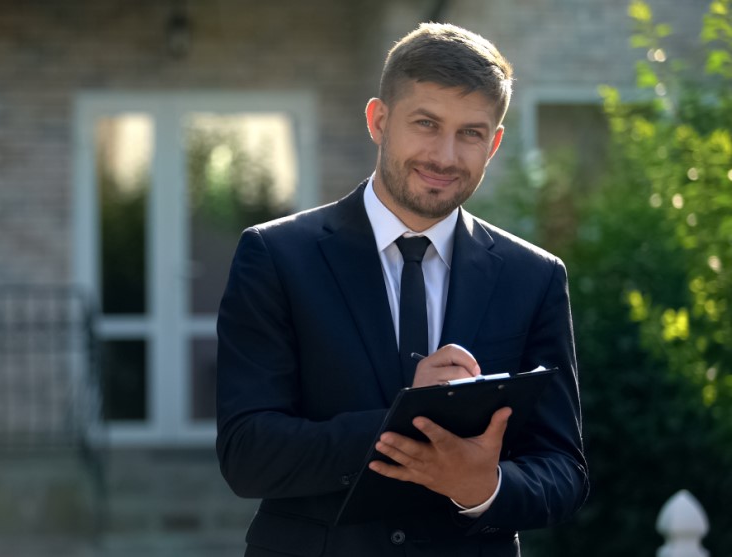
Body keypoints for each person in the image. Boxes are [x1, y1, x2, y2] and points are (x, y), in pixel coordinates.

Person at [215, 22, 588, 557]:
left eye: (471, 133)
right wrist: (408, 420)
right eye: (426, 123)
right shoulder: (276, 256)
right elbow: (247, 455)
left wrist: (483, 488)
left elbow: (563, 471)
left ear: (495, 143)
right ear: (379, 120)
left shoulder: (533, 276)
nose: (445, 155)